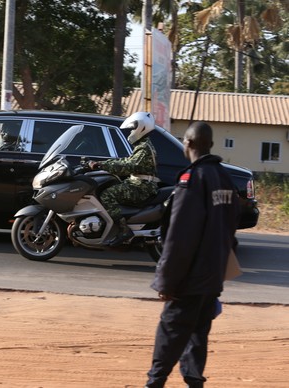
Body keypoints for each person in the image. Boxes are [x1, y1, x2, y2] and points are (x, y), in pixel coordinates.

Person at [145, 121, 240, 388]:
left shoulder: (192, 179)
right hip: (212, 276)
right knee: (198, 332)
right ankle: (194, 381)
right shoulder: (225, 178)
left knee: (171, 331)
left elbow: (180, 236)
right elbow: (231, 229)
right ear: (209, 144)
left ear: (188, 144)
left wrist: (166, 280)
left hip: (190, 277)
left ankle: (154, 383)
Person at [88, 111, 158, 246]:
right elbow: (126, 160)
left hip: (142, 187)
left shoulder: (144, 148)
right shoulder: (142, 145)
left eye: (132, 129)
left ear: (141, 128)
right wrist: (102, 162)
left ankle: (123, 229)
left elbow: (129, 166)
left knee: (107, 195)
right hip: (139, 184)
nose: (130, 132)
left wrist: (101, 165)